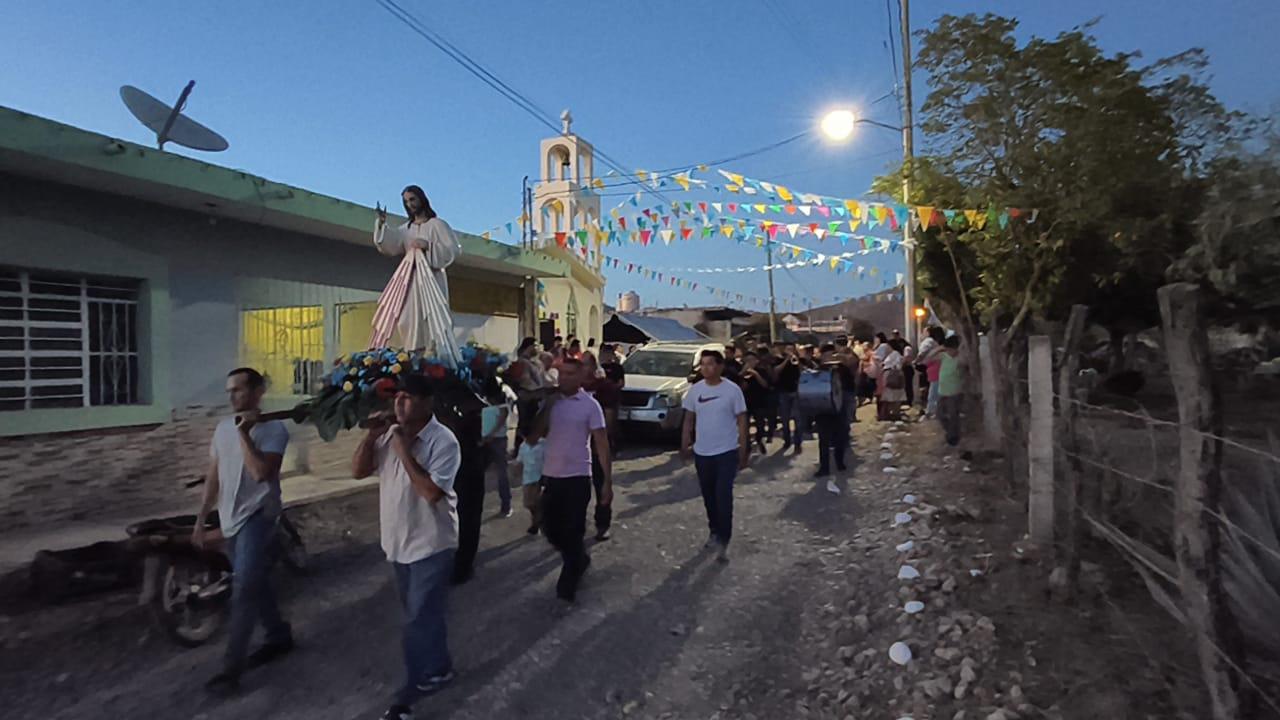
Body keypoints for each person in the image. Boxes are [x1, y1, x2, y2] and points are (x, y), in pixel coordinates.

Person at [351, 375, 462, 720]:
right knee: (423, 616)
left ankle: (405, 699)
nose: (399, 403)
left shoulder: (444, 442)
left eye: (408, 397)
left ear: (428, 402)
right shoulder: (388, 434)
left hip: (432, 544)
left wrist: (402, 449)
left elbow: (431, 493)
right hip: (397, 542)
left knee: (416, 621)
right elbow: (358, 471)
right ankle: (439, 668)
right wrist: (372, 437)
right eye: (396, 397)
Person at [196, 368, 293, 693]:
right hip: (230, 518)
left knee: (245, 589)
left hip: (259, 516)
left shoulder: (275, 429)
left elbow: (261, 473)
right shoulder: (222, 429)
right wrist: (201, 519)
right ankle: (279, 635)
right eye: (230, 391)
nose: (232, 397)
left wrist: (244, 434)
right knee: (255, 581)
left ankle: (230, 671)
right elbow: (214, 476)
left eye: (238, 390)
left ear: (257, 392)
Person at [539, 358, 613, 603]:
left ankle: (567, 586)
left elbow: (601, 443)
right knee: (550, 529)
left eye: (571, 374)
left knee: (573, 531)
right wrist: (546, 407)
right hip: (551, 475)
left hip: (578, 476)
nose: (565, 378)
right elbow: (533, 436)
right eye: (562, 373)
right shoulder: (551, 403)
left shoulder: (590, 405)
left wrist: (607, 482)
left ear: (581, 377)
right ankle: (579, 559)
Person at [372, 186, 463, 362]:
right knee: (407, 319)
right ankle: (413, 356)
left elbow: (451, 250)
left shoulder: (437, 225)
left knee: (433, 318)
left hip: (432, 279)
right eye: (406, 201)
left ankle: (434, 355)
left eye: (412, 199)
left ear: (421, 199)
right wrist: (382, 224)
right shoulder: (406, 229)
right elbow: (390, 244)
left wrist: (428, 245)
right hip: (411, 280)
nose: (410, 204)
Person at [680, 350, 749, 563]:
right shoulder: (696, 390)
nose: (706, 368)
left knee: (723, 496)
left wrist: (743, 449)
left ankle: (724, 540)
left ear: (720, 366)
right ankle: (714, 531)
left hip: (726, 452)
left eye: (710, 364)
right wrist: (685, 444)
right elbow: (689, 419)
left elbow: (742, 421)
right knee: (709, 496)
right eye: (703, 364)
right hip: (703, 453)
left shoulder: (732, 391)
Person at [582, 352, 621, 541]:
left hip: (598, 444)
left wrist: (604, 439)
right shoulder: (575, 388)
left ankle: (603, 524)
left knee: (602, 484)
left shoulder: (604, 387)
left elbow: (610, 415)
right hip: (579, 447)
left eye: (586, 364)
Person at [812, 345, 850, 483]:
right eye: (826, 355)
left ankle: (839, 462)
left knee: (840, 437)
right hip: (823, 408)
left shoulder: (841, 368)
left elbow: (849, 385)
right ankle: (824, 467)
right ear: (821, 356)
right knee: (824, 440)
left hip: (838, 407)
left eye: (831, 355)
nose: (829, 358)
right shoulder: (817, 370)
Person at [480, 371, 512, 518]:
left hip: (496, 439)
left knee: (501, 473)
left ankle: (506, 505)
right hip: (492, 439)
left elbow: (502, 419)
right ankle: (505, 505)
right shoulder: (489, 403)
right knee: (499, 472)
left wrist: (489, 435)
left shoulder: (501, 404)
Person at [739, 352, 771, 455]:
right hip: (745, 403)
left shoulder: (761, 371)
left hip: (759, 402)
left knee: (760, 425)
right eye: (747, 360)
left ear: (756, 361)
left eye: (751, 360)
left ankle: (759, 439)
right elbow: (737, 387)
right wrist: (743, 373)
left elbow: (765, 385)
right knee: (745, 426)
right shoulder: (741, 372)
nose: (750, 363)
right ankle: (747, 445)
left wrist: (756, 374)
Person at [936, 335, 965, 446]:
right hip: (942, 391)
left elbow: (965, 364)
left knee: (953, 416)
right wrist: (939, 348)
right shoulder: (944, 356)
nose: (949, 352)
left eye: (950, 350)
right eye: (947, 349)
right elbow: (927, 358)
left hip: (954, 392)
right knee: (940, 415)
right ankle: (950, 433)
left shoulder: (960, 359)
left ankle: (954, 437)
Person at [774, 345, 804, 455]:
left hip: (796, 391)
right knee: (785, 419)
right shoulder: (779, 359)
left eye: (792, 349)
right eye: (788, 349)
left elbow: (803, 371)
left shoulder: (798, 359)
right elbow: (776, 371)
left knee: (798, 419)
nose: (790, 351)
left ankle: (798, 443)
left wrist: (797, 360)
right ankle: (787, 440)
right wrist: (786, 360)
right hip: (784, 392)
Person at [878, 341, 908, 422]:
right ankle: (892, 413)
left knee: (894, 395)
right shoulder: (890, 354)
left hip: (893, 375)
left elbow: (898, 365)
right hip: (889, 374)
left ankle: (895, 413)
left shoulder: (895, 354)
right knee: (891, 395)